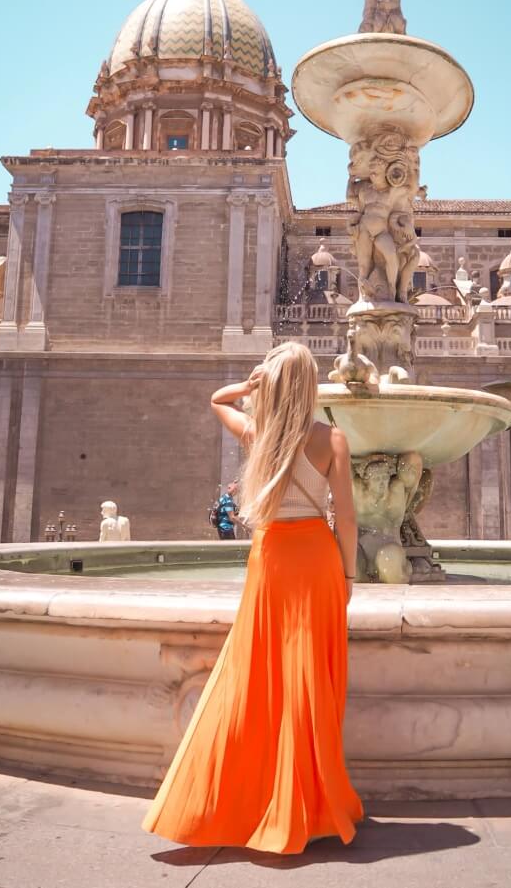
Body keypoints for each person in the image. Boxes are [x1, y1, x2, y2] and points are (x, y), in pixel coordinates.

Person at [143, 342, 363, 854]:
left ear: (273, 384)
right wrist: (350, 575)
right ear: (310, 386)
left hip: (271, 558)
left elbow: (217, 400)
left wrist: (251, 384)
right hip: (318, 559)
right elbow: (347, 517)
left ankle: (244, 799)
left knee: (260, 673)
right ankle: (309, 803)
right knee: (310, 679)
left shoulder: (258, 434)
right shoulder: (332, 438)